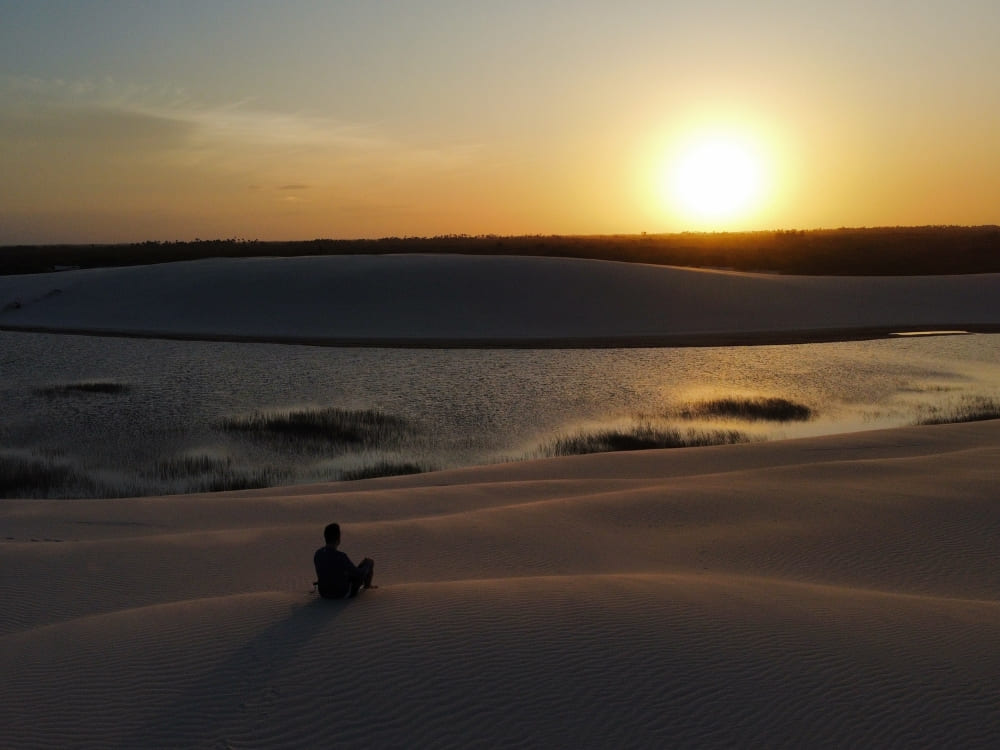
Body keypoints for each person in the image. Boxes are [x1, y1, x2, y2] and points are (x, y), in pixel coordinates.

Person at [313, 522, 375, 599]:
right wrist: (366, 568)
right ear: (338, 539)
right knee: (369, 562)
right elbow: (358, 573)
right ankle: (367, 587)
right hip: (342, 593)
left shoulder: (318, 553)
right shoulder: (341, 556)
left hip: (324, 593)